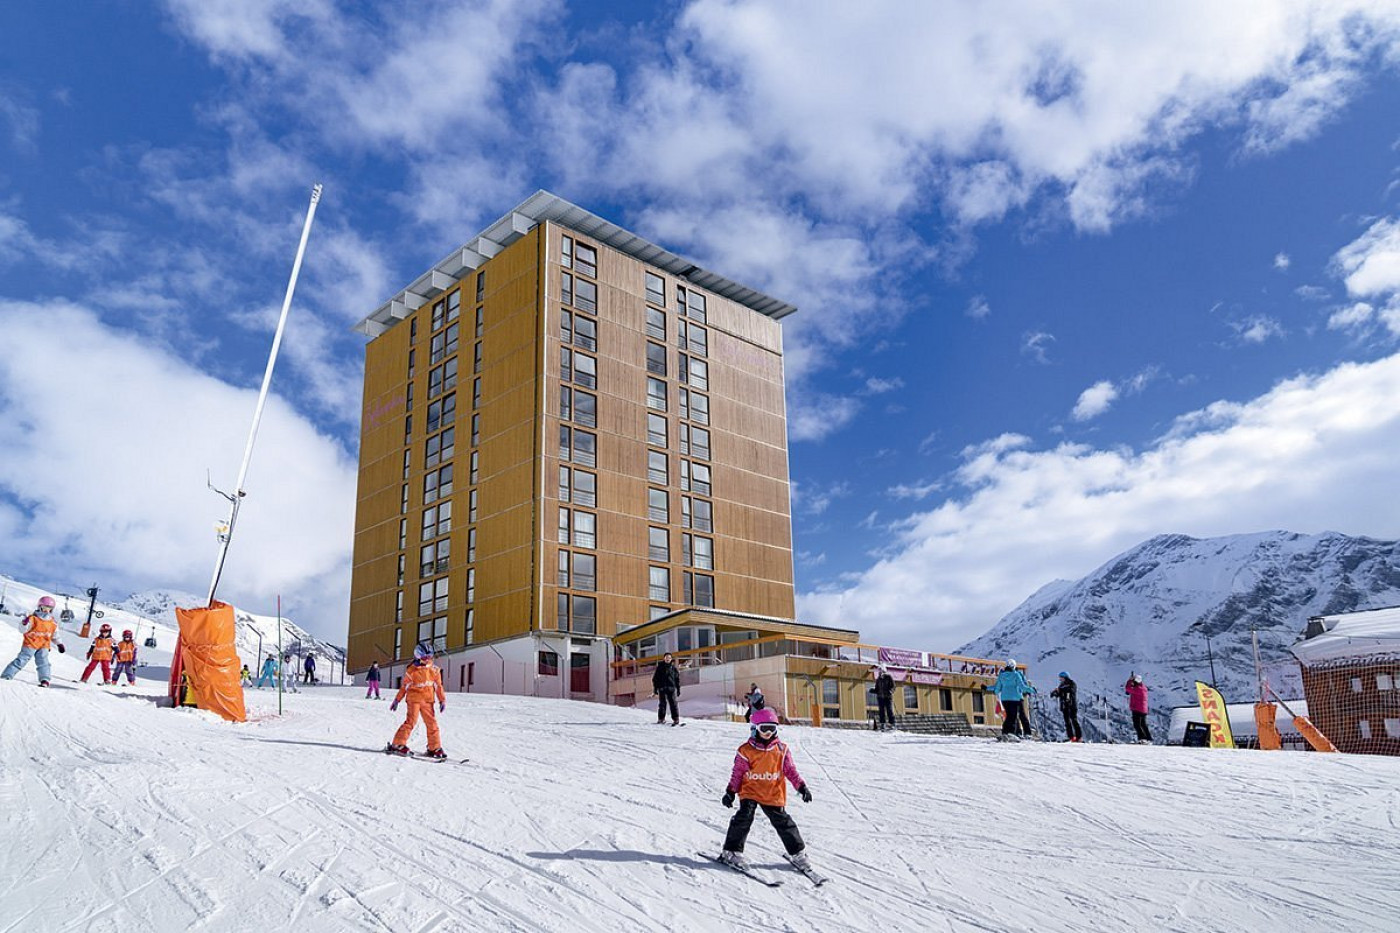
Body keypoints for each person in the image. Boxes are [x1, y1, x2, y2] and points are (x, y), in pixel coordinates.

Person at [719, 708, 814, 872]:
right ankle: (731, 851)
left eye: (772, 728)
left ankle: (797, 853)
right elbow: (737, 773)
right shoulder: (746, 751)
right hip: (751, 791)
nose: (768, 732)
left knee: (783, 822)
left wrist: (801, 786)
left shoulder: (781, 750)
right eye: (764, 728)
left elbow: (790, 770)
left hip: (772, 792)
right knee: (743, 818)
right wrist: (730, 791)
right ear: (755, 728)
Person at [387, 642, 447, 758]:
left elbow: (438, 686)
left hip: (428, 700)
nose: (427, 660)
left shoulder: (434, 670)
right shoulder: (412, 671)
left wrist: (442, 700)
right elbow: (404, 687)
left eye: (429, 657)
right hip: (414, 699)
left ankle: (434, 747)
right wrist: (397, 700)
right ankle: (397, 744)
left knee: (432, 724)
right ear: (418, 656)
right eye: (425, 657)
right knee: (411, 721)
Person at [2, 595, 66, 686]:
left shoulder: (52, 622)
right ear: (39, 607)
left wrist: (59, 644)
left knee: (44, 663)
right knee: (21, 660)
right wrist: (24, 624)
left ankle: (45, 679)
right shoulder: (33, 618)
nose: (46, 610)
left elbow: (55, 635)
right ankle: (7, 675)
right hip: (30, 644)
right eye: (44, 607)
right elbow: (22, 630)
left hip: (44, 646)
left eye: (49, 608)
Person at [985, 659, 1034, 739]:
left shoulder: (1002, 675)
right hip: (1016, 699)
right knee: (1014, 717)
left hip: (1005, 699)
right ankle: (1012, 733)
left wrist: (988, 688)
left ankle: (1005, 732)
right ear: (1014, 666)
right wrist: (1031, 690)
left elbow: (997, 688)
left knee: (1008, 717)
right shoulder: (1016, 675)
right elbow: (1022, 687)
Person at [1051, 671, 1082, 742]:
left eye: (1061, 677)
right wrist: (1055, 693)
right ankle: (1071, 737)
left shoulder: (1071, 683)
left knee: (1074, 720)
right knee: (1067, 722)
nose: (1060, 679)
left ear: (1065, 677)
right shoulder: (1061, 685)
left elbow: (1071, 691)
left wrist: (1061, 691)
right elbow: (1060, 693)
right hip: (1064, 706)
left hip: (1071, 705)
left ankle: (1078, 737)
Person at [652, 652, 681, 726]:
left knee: (673, 704)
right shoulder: (660, 667)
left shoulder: (673, 668)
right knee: (662, 704)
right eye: (666, 658)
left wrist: (678, 689)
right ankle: (661, 719)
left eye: (669, 658)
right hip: (662, 688)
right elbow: (655, 679)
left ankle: (676, 719)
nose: (668, 659)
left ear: (671, 659)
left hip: (671, 688)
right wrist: (655, 689)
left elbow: (677, 679)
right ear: (664, 658)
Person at [1125, 673, 1152, 743]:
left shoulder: (1138, 689)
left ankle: (1142, 738)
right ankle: (1148, 738)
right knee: (1143, 724)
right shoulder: (1143, 688)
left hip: (1137, 709)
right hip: (1143, 709)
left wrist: (1129, 681)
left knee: (1137, 725)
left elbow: (1127, 689)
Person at [872, 666, 897, 731]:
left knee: (889, 710)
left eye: (881, 671)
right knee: (881, 711)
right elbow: (877, 689)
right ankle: (883, 724)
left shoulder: (889, 677)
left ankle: (892, 724)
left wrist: (891, 691)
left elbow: (893, 686)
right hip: (880, 697)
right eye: (879, 671)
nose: (880, 673)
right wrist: (873, 690)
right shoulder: (878, 679)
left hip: (888, 697)